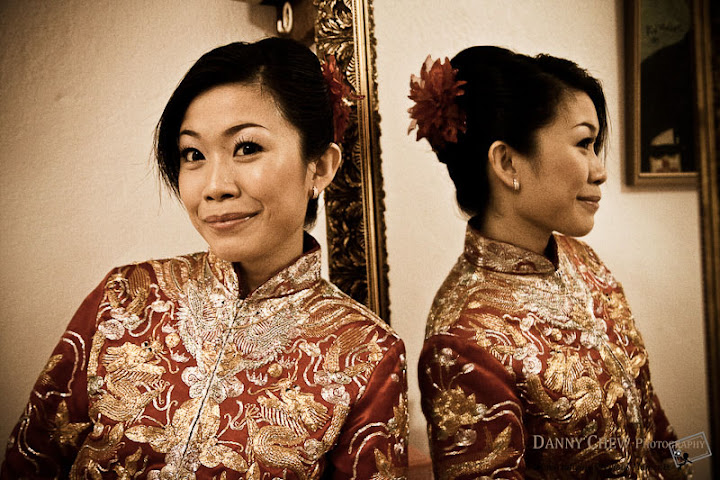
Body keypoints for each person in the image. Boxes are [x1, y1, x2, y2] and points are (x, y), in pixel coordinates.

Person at [2, 38, 408, 480]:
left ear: (321, 166)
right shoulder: (123, 299)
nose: (215, 186)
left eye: (247, 148)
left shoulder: (368, 354)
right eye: (193, 154)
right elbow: (28, 464)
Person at [409, 47, 688, 479]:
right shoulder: (464, 340)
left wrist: (695, 466)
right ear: (507, 162)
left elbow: (652, 420)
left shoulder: (582, 260)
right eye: (584, 144)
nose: (600, 171)